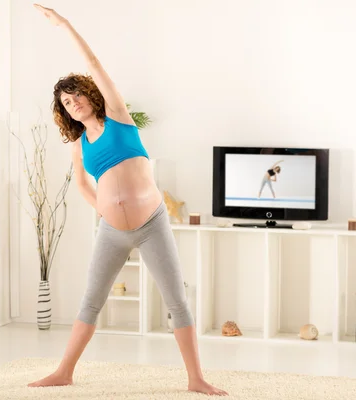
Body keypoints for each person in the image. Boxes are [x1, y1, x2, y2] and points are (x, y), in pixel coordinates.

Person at [27, 4, 227, 396]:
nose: (74, 104)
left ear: (90, 94)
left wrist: (65, 24)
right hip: (111, 232)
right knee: (90, 302)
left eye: (77, 96)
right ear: (65, 112)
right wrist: (101, 209)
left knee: (177, 300)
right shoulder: (78, 143)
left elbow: (93, 60)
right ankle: (64, 371)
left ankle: (196, 379)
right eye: (66, 103)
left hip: (152, 224)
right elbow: (83, 186)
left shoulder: (119, 115)